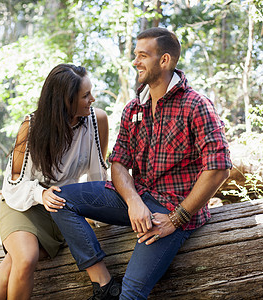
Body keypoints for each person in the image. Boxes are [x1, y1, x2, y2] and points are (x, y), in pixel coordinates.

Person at [50, 27, 232, 300]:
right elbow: (119, 163)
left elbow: (219, 167)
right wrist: (134, 201)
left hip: (172, 209)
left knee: (132, 293)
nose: (135, 61)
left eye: (143, 55)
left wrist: (176, 219)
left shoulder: (196, 105)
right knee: (60, 199)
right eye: (136, 55)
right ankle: (103, 284)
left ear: (164, 61)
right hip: (138, 199)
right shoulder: (134, 108)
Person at [0, 64, 109, 300]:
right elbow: (13, 185)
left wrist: (100, 215)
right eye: (85, 95)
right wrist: (41, 195)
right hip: (24, 205)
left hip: (62, 208)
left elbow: (97, 175)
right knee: (26, 258)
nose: (93, 98)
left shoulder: (97, 120)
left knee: (12, 265)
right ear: (65, 101)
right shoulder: (31, 127)